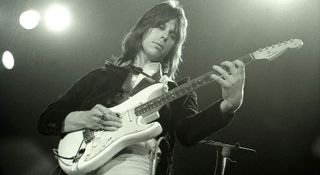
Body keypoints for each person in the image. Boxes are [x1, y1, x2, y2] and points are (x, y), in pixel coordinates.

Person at [38, 1, 245, 175]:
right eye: (161, 27)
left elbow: (187, 133)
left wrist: (229, 105)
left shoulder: (177, 92)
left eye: (173, 35)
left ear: (175, 46)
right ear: (144, 27)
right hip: (80, 158)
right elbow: (48, 119)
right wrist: (85, 118)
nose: (165, 36)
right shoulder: (100, 76)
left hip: (132, 162)